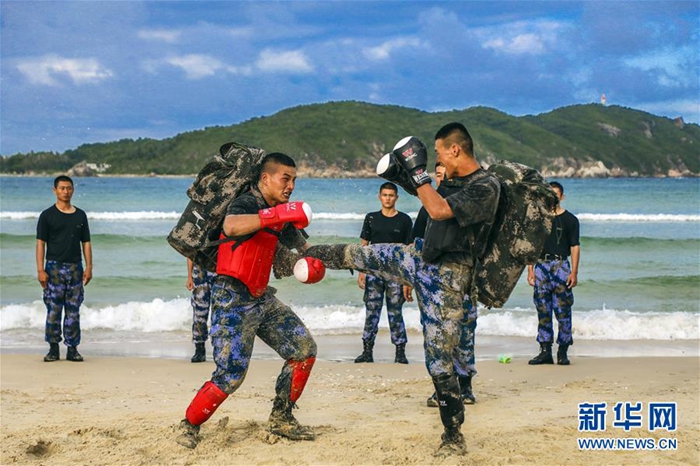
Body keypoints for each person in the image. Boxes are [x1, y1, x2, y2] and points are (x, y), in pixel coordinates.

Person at [305, 123, 500, 456]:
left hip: (449, 277)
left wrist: (418, 173)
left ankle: (453, 434)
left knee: (438, 360)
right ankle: (303, 253)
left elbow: (439, 210)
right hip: (419, 256)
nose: (438, 160)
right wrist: (404, 177)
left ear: (454, 149)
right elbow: (431, 200)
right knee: (363, 255)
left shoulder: (486, 187)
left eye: (440, 152)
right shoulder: (452, 182)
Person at [176, 152, 325, 449]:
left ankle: (281, 418)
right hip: (231, 297)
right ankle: (189, 425)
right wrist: (276, 215)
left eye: (294, 180)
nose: (291, 186)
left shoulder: (283, 213)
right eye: (285, 179)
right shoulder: (246, 202)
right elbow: (231, 227)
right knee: (230, 375)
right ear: (265, 178)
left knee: (304, 350)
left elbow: (306, 248)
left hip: (262, 297)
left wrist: (323, 262)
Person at [412, 164, 477, 408]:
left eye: (445, 174)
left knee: (465, 333)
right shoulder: (427, 209)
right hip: (433, 284)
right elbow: (415, 245)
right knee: (438, 337)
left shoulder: (467, 206)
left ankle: (466, 385)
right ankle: (441, 388)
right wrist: (411, 281)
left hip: (464, 283)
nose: (441, 179)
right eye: (437, 175)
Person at [355, 182, 413, 364]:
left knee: (395, 312)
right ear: (379, 197)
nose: (388, 198)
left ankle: (400, 352)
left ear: (396, 197)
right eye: (385, 195)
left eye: (391, 195)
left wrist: (408, 280)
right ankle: (367, 351)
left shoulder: (404, 220)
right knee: (371, 311)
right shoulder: (371, 218)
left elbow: (408, 252)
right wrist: (361, 272)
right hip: (373, 272)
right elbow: (364, 246)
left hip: (396, 274)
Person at [36, 175, 93, 362]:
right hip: (53, 268)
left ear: (73, 190)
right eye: (62, 188)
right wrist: (40, 270)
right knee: (53, 309)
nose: (65, 191)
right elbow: (40, 244)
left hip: (76, 267)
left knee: (73, 310)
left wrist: (89, 267)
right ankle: (53, 349)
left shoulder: (80, 215)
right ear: (55, 190)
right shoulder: (47, 215)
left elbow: (86, 243)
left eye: (69, 188)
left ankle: (72, 349)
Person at [526, 181, 580, 366]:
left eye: (556, 195)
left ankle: (563, 351)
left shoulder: (571, 220)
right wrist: (530, 270)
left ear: (562, 197)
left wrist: (574, 272)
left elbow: (575, 246)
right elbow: (532, 246)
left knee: (563, 311)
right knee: (542, 310)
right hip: (541, 266)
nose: (553, 198)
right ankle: (545, 351)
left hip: (561, 266)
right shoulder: (538, 220)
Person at [186, 258, 216, 363]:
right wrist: (189, 277)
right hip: (199, 275)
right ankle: (199, 349)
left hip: (218, 275)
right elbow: (190, 255)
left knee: (219, 315)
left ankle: (219, 349)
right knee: (199, 313)